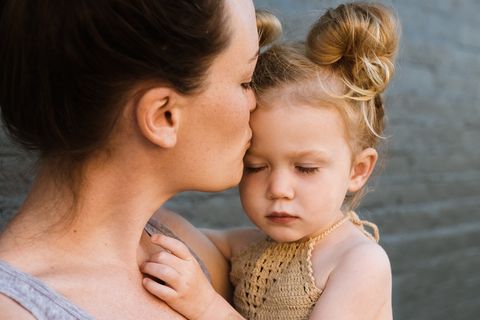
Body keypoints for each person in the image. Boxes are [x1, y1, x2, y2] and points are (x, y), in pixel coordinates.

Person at [0, 0, 273, 319]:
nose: (256, 102)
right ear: (163, 116)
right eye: (245, 81)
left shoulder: (178, 244)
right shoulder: (16, 311)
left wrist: (345, 261)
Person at [141, 2, 400, 319]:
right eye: (256, 166)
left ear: (357, 171)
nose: (278, 189)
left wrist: (206, 306)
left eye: (305, 168)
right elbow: (173, 230)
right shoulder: (250, 247)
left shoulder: (357, 262)